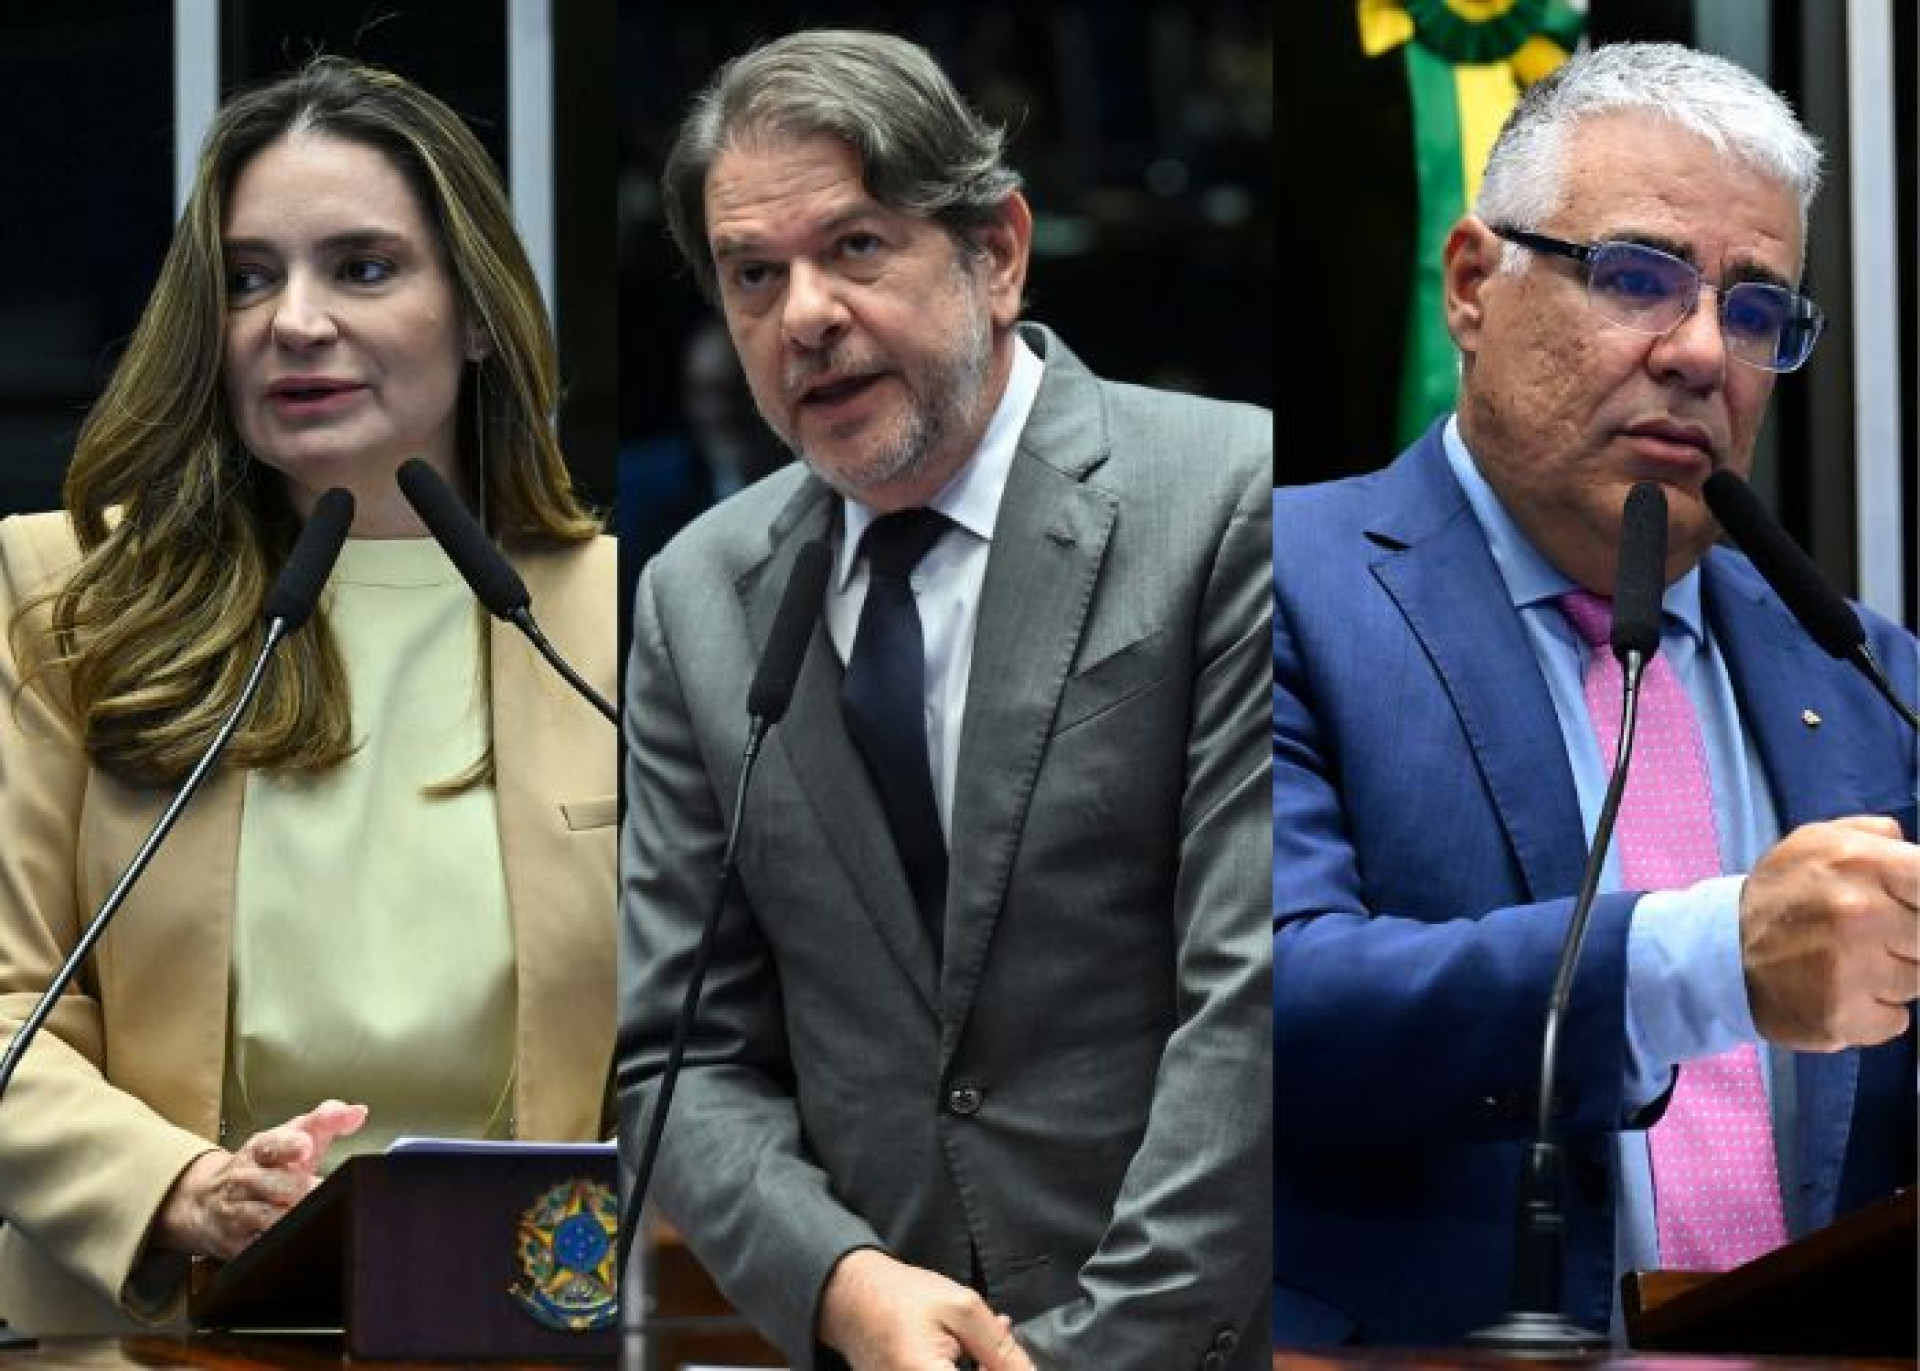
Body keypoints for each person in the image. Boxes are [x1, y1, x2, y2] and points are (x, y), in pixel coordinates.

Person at [618, 29, 1270, 1371]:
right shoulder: (698, 594)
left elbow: (1252, 998)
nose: (804, 315)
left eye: (856, 246)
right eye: (755, 275)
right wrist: (842, 1283)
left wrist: (1086, 1350)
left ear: (997, 251)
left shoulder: (1225, 500)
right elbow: (680, 1056)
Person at [1271, 42, 1917, 1345]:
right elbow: (1254, 1011)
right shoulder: (1269, 585)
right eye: (1636, 277)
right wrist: (1710, 958)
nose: (1699, 354)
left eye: (1754, 312)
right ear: (1471, 287)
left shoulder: (1864, 674)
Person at [0, 57, 616, 1335]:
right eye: (250, 278)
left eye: (364, 266)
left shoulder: (621, 617)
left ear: (481, 311)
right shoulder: (64, 596)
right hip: (153, 1335)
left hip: (522, 1330)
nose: (294, 320)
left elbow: (708, 1043)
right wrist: (178, 1187)